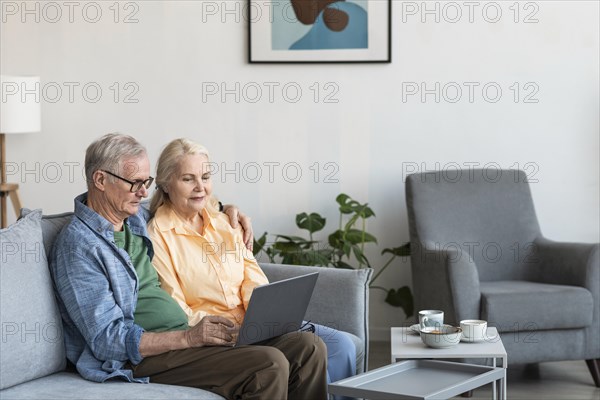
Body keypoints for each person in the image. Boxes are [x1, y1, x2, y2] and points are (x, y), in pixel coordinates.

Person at [50, 133, 328, 399]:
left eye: (146, 181)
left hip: (185, 337)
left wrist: (228, 208)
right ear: (100, 179)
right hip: (141, 358)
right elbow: (105, 340)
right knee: (267, 364)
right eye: (135, 183)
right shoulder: (79, 247)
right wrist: (188, 338)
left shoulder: (132, 218)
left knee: (307, 346)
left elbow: (184, 198)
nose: (143, 191)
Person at [146, 138, 357, 392]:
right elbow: (176, 308)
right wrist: (230, 329)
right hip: (215, 336)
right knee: (282, 358)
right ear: (166, 183)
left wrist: (260, 315)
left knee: (312, 345)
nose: (200, 187)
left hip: (252, 326)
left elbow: (252, 275)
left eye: (205, 176)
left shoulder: (224, 221)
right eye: (188, 179)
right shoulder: (158, 235)